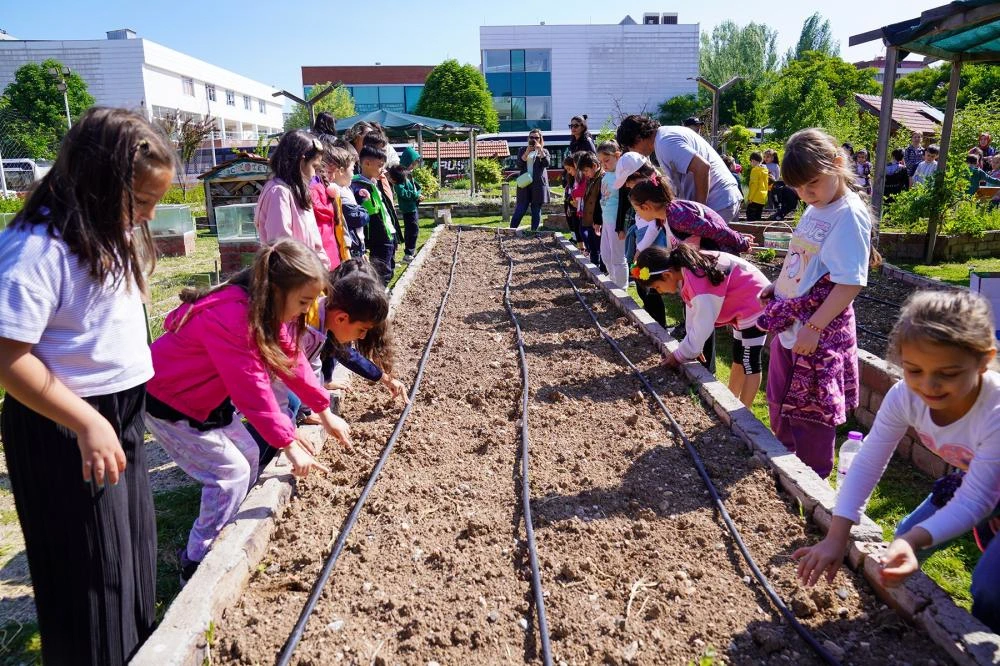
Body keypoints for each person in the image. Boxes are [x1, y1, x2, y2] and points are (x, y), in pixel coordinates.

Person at [0, 107, 174, 665]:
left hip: (113, 421)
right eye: (140, 201)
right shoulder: (37, 247)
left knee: (132, 559)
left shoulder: (103, 230)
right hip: (66, 428)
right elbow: (7, 358)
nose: (145, 216)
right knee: (90, 582)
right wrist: (85, 421)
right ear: (97, 181)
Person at [792, 290, 1000, 634]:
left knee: (990, 588)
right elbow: (871, 458)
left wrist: (914, 542)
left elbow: (978, 499)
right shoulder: (905, 395)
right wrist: (837, 536)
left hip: (983, 487)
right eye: (914, 369)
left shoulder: (994, 412)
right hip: (976, 480)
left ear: (983, 360)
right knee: (904, 533)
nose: (928, 386)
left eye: (947, 373)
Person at [146, 240, 351, 582]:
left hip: (203, 400)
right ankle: (197, 558)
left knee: (249, 453)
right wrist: (289, 445)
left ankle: (229, 523)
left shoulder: (264, 311)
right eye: (302, 302)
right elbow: (252, 392)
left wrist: (325, 413)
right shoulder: (232, 318)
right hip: (171, 402)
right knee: (230, 474)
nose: (305, 311)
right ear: (277, 290)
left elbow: (293, 361)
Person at [759, 128, 874, 479]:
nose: (805, 194)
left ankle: (811, 485)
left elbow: (850, 282)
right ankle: (783, 470)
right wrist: (777, 286)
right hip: (793, 324)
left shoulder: (847, 214)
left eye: (812, 184)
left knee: (812, 414)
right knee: (781, 402)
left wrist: (813, 327)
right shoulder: (817, 207)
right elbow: (802, 256)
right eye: (798, 187)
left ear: (837, 164)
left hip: (818, 333)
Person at [255, 259, 408, 468]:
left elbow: (311, 368)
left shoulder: (321, 321)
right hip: (248, 383)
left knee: (294, 403)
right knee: (285, 409)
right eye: (362, 330)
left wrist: (317, 410)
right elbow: (277, 381)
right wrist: (289, 436)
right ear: (343, 318)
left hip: (266, 382)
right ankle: (261, 460)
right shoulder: (305, 328)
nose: (362, 338)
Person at [628, 174, 753, 373]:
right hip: (699, 268)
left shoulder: (677, 214)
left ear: (647, 206)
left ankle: (705, 367)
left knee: (703, 316)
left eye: (636, 209)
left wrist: (741, 241)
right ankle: (696, 351)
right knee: (693, 313)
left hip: (714, 264)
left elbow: (714, 229)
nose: (637, 214)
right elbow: (664, 237)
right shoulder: (664, 218)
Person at [633, 244, 770, 408]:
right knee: (739, 355)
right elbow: (693, 315)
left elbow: (704, 323)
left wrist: (680, 355)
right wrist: (693, 347)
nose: (660, 291)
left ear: (667, 275)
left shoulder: (697, 282)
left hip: (756, 304)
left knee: (750, 361)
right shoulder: (687, 271)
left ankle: (743, 413)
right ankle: (731, 402)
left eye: (656, 287)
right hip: (746, 303)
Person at [616, 115, 743, 223]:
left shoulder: (665, 142)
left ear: (638, 138)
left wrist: (700, 213)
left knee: (705, 250)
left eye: (630, 147)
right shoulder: (664, 137)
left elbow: (702, 167)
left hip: (717, 200)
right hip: (722, 198)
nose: (633, 152)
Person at [255, 130, 329, 269]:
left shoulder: (297, 191)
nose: (314, 174)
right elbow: (282, 248)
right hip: (293, 280)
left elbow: (315, 241)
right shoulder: (279, 193)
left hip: (309, 276)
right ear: (300, 161)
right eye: (314, 166)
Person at [351, 145, 400, 285]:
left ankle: (383, 292)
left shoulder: (372, 183)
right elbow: (370, 211)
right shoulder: (359, 186)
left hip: (387, 232)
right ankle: (379, 296)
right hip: (378, 235)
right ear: (367, 163)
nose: (382, 170)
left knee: (389, 266)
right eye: (379, 166)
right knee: (381, 270)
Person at [309, 135, 349, 269]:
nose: (333, 176)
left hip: (326, 259)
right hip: (327, 259)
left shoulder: (325, 191)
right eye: (331, 172)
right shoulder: (320, 191)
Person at [597, 140, 629, 288]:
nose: (604, 164)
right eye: (601, 161)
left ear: (617, 156)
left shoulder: (621, 175)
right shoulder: (606, 175)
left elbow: (625, 202)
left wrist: (621, 226)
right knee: (605, 254)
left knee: (617, 257)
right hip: (606, 220)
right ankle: (612, 280)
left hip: (616, 221)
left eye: (607, 160)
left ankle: (621, 288)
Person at [509, 128, 551, 231]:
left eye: (536, 137)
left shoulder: (544, 151)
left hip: (538, 184)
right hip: (525, 183)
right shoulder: (523, 150)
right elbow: (519, 164)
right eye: (531, 137)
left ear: (540, 138)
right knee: (521, 208)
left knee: (536, 209)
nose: (534, 139)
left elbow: (546, 164)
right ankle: (511, 231)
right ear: (528, 138)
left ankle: (534, 232)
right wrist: (527, 152)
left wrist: (540, 150)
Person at [390, 146, 423, 263]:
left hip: (412, 207)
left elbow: (416, 187)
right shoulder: (400, 175)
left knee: (414, 229)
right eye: (412, 164)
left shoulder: (409, 175)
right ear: (407, 161)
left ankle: (410, 252)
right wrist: (415, 195)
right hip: (408, 209)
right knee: (411, 230)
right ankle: (408, 254)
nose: (413, 167)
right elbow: (401, 191)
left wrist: (419, 193)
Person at [576, 151, 604, 267]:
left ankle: (602, 269)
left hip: (597, 220)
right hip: (589, 218)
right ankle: (594, 267)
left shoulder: (602, 179)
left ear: (595, 165)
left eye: (586, 171)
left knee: (600, 247)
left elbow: (599, 202)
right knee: (592, 247)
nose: (585, 174)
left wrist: (598, 220)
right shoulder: (591, 179)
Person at [562, 153, 584, 247]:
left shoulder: (580, 178)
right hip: (571, 205)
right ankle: (578, 244)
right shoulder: (571, 178)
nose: (568, 172)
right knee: (574, 224)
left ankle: (583, 247)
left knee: (580, 227)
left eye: (569, 169)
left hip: (578, 207)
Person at [746, 151, 769, 221]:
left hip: (755, 197)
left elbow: (754, 185)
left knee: (750, 216)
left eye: (751, 161)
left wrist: (750, 198)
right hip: (762, 197)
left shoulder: (755, 170)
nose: (751, 163)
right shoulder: (765, 170)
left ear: (753, 160)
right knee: (758, 217)